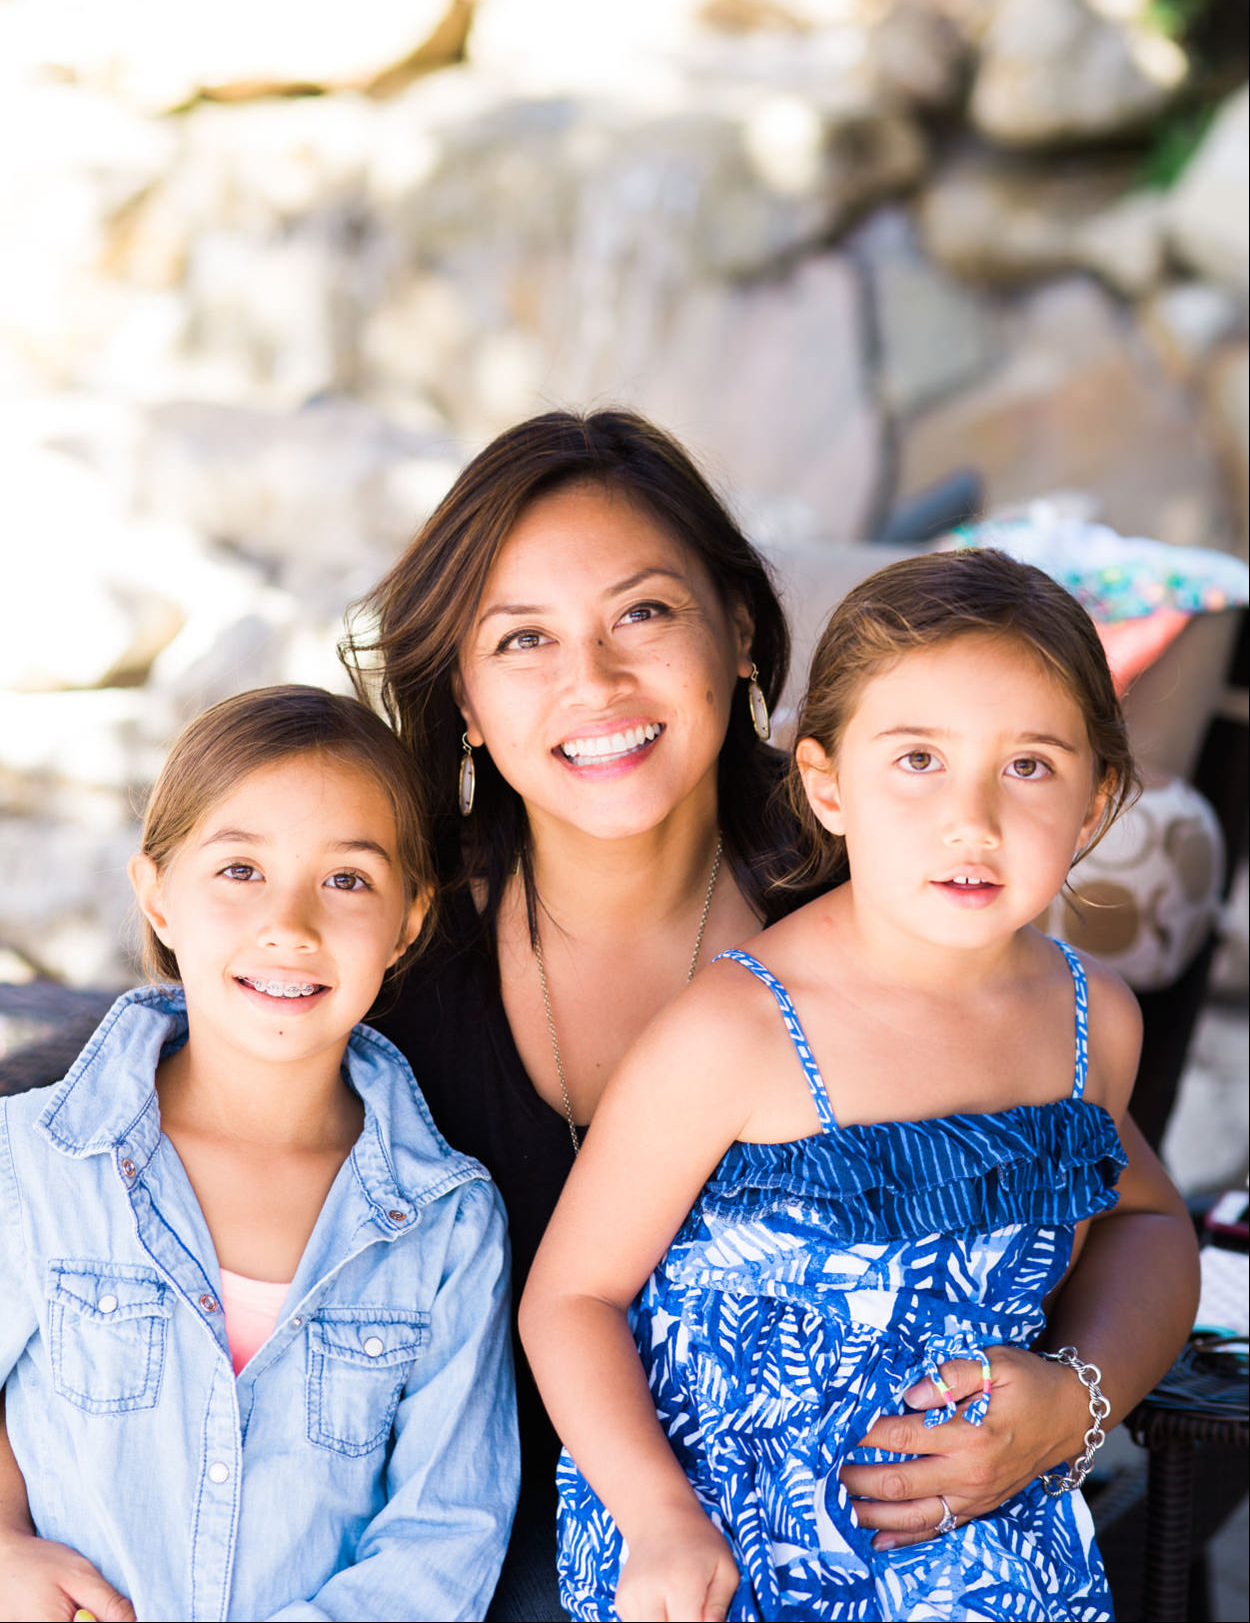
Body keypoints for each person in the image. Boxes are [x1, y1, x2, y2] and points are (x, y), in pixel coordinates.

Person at [0, 413, 1198, 1623]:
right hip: (402, 1561)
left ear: (737, 631)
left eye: (641, 613)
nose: (594, 681)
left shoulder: (891, 887)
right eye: (522, 638)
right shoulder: (377, 946)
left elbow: (1131, 1211)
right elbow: (91, 1222)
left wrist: (1073, 1397)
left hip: (858, 1548)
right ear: (461, 695)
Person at [520, 548, 1197, 1622]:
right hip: (721, 1548)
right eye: (916, 759)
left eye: (1027, 766)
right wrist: (656, 1516)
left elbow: (1150, 1225)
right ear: (828, 783)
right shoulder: (739, 1030)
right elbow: (569, 1297)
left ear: (1095, 799)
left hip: (978, 1543)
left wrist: (1075, 1399)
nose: (968, 817)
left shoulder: (1084, 1020)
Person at [0, 686, 517, 1622]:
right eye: (240, 869)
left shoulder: (445, 1221)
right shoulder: (32, 1163)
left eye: (348, 879)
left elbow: (447, 1525)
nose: (291, 923)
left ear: (408, 921)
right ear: (157, 896)